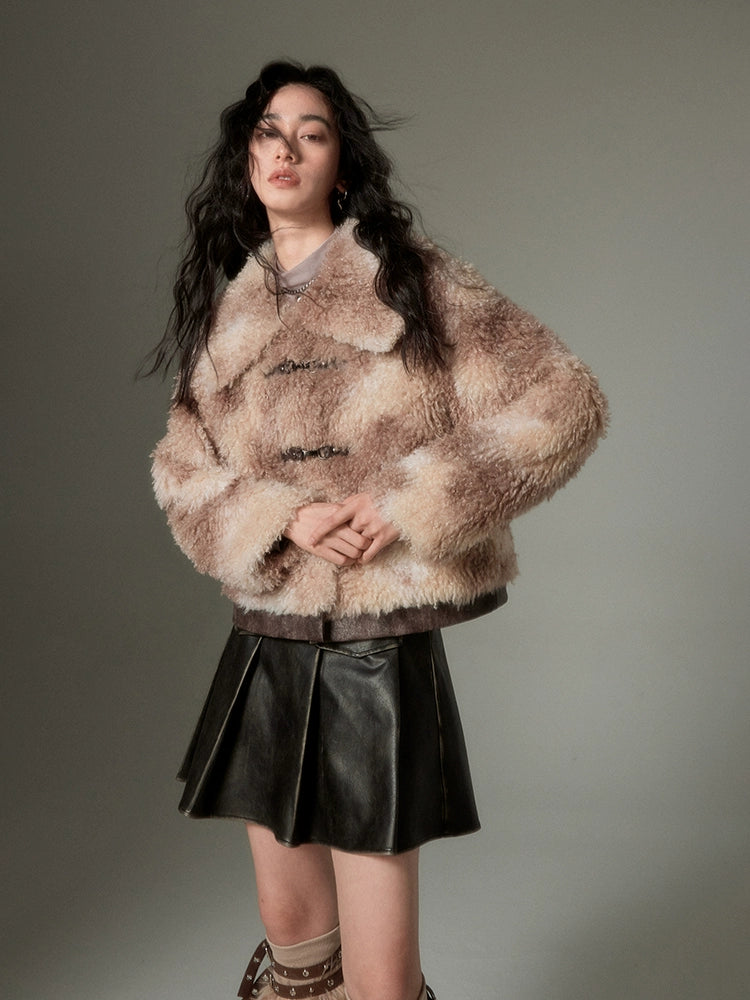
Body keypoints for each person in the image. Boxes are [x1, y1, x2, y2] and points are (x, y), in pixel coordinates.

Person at [146, 60, 608, 1000]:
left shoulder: (410, 282)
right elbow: (182, 472)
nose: (285, 150)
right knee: (293, 941)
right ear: (246, 160)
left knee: (381, 980)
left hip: (376, 646)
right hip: (270, 635)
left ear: (343, 167)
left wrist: (408, 503)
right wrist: (282, 515)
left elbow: (565, 400)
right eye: (269, 132)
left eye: (311, 134)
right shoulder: (230, 316)